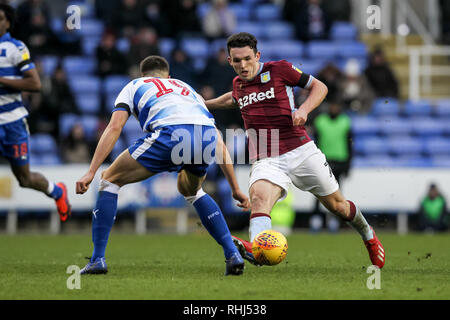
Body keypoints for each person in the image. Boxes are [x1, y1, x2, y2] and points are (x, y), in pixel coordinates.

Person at [205, 32, 385, 268]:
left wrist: (304, 110)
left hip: (300, 150)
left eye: (248, 58)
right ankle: (259, 249)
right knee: (259, 199)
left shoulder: (279, 70)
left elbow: (320, 87)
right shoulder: (238, 85)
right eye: (237, 60)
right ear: (229, 61)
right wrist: (205, 103)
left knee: (337, 206)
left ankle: (368, 234)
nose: (243, 65)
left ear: (257, 55)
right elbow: (234, 98)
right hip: (266, 156)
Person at [76, 55, 250, 276]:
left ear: (143, 75)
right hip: (205, 136)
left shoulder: (135, 85)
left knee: (109, 179)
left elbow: (114, 127)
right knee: (192, 190)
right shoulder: (186, 88)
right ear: (169, 76)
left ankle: (97, 259)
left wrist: (91, 171)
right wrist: (235, 188)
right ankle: (232, 254)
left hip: (170, 134)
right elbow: (217, 139)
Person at [0, 4, 70, 221]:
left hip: (12, 121)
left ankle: (57, 191)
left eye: (0, 18)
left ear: (8, 23)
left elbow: (35, 83)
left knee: (25, 178)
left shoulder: (15, 47)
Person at [312, 101, 353, 232]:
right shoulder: (320, 121)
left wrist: (348, 165)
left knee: (337, 192)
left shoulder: (345, 121)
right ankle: (317, 219)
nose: (335, 108)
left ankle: (334, 220)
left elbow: (349, 144)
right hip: (324, 161)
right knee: (319, 191)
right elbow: (315, 144)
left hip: (340, 160)